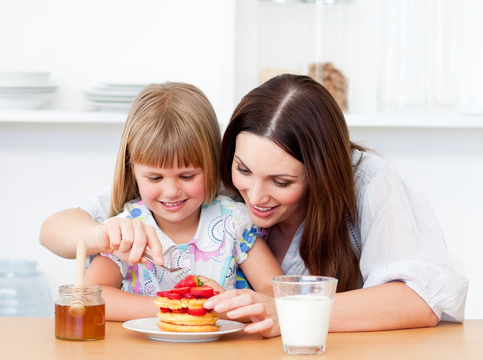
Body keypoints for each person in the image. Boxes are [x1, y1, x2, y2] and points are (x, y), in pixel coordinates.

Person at [40, 75, 468, 335]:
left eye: (281, 181)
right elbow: (63, 232)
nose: (255, 197)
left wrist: (281, 309)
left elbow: (419, 300)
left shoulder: (367, 183)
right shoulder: (183, 193)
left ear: (322, 173)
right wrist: (100, 236)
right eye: (243, 171)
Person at [74, 82, 282, 321]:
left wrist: (224, 304)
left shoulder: (234, 222)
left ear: (211, 166)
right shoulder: (128, 229)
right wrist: (176, 307)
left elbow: (276, 293)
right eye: (155, 177)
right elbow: (91, 296)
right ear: (133, 171)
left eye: (187, 176)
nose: (171, 191)